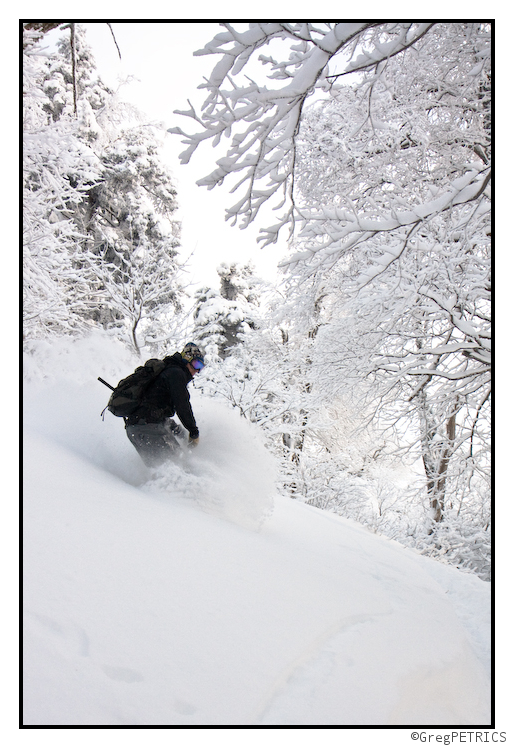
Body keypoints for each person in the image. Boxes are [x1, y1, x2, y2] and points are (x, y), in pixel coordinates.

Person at [125, 342, 205, 468]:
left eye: (201, 367)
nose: (197, 370)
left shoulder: (167, 371)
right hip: (147, 426)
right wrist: (193, 431)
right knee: (179, 464)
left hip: (135, 427)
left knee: (160, 467)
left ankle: (154, 486)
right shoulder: (176, 373)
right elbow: (182, 404)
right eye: (196, 364)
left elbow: (155, 408)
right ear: (186, 359)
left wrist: (182, 434)